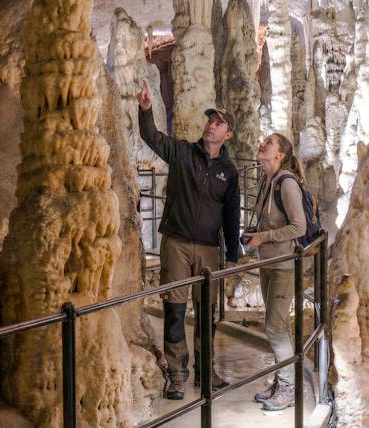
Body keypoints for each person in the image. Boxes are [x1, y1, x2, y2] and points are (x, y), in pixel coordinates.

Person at [136, 80, 240, 400]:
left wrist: (233, 254)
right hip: (177, 243)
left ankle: (205, 372)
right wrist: (145, 110)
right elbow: (151, 137)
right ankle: (177, 373)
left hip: (209, 248)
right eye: (210, 121)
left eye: (218, 123)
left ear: (227, 135)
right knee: (176, 310)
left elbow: (231, 214)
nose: (211, 125)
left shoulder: (228, 171)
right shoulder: (182, 152)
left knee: (206, 312)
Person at [241, 132, 307, 411]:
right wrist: (255, 233)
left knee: (274, 328)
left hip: (283, 265)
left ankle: (289, 388)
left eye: (268, 142)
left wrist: (263, 238)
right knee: (277, 327)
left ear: (279, 155)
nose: (262, 144)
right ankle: (283, 380)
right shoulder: (267, 182)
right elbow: (271, 222)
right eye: (263, 140)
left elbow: (299, 227)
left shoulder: (287, 184)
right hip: (269, 263)